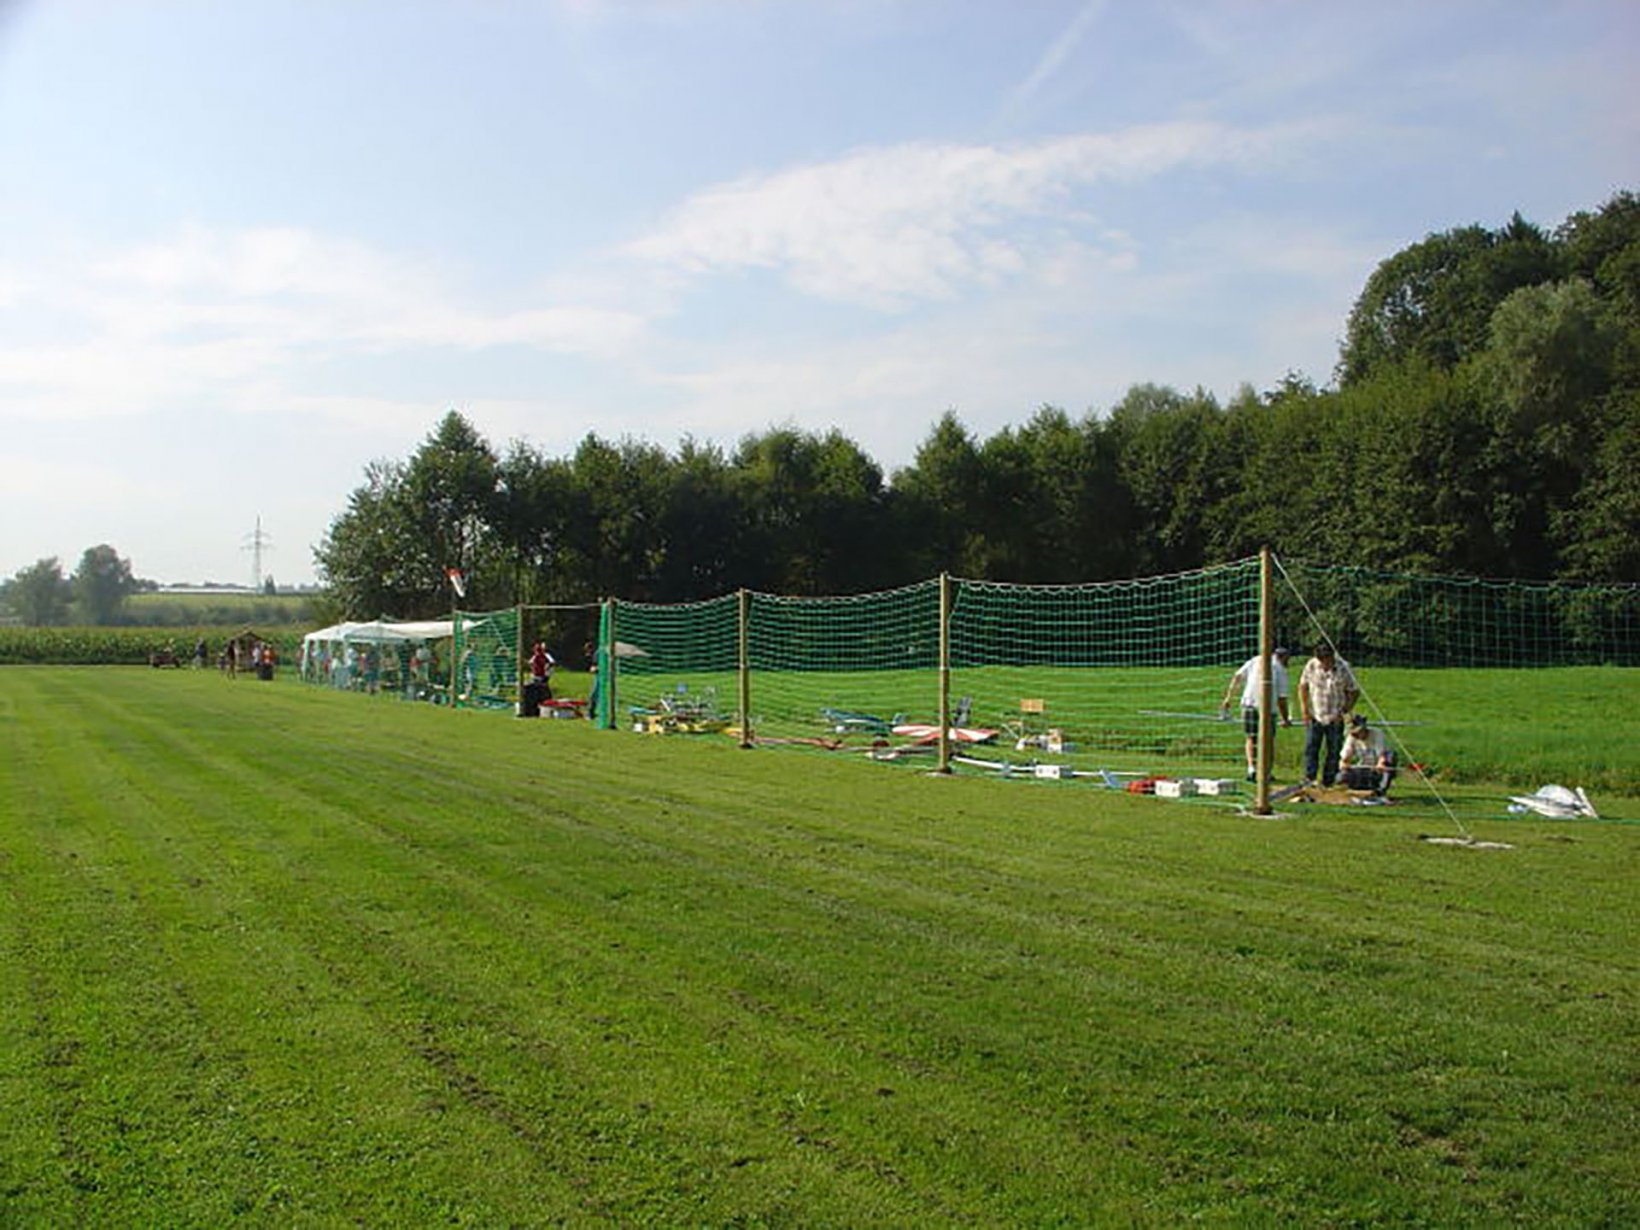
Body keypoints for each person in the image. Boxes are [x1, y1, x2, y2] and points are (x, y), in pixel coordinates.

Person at [1220, 647, 1292, 781]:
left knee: (1251, 738)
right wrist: (1285, 719)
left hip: (1249, 704)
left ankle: (1252, 769)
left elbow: (1237, 677)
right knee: (1267, 741)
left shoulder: (1256, 660)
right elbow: (1282, 699)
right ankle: (1265, 772)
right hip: (1267, 708)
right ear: (1284, 658)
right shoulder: (1280, 670)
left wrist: (1229, 698)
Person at [1298, 642, 1359, 786]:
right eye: (1322, 660)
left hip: (1335, 716)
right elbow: (1303, 686)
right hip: (1316, 715)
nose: (1325, 664)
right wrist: (1305, 710)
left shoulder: (1344, 667)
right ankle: (1309, 778)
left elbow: (1354, 691)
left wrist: (1344, 711)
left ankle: (1329, 780)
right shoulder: (1311, 665)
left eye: (1327, 660)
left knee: (1334, 750)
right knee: (1311, 748)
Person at [1340, 714, 1397, 796]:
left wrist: (1380, 764)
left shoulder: (1377, 734)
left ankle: (1381, 790)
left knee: (1387, 763)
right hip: (1364, 762)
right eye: (1353, 733)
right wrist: (1344, 764)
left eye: (1357, 733)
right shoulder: (1351, 738)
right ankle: (1359, 787)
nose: (1356, 736)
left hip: (1380, 761)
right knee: (1343, 776)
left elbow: (1382, 755)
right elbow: (1345, 757)